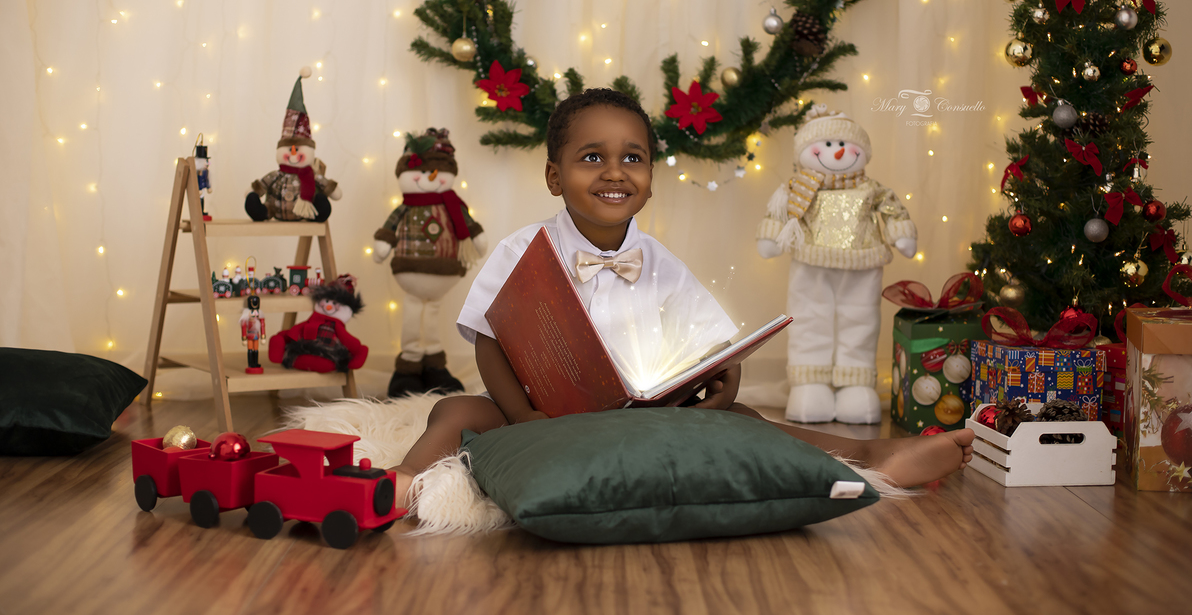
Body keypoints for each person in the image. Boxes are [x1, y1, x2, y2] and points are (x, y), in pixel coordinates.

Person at [389, 88, 973, 508]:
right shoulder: (524, 249)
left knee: (746, 420)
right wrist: (522, 418)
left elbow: (711, 345)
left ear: (649, 176)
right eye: (592, 157)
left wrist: (722, 388)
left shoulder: (660, 261)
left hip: (641, 418)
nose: (614, 172)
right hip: (541, 417)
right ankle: (402, 478)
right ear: (553, 176)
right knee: (455, 410)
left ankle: (872, 458)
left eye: (632, 158)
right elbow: (490, 339)